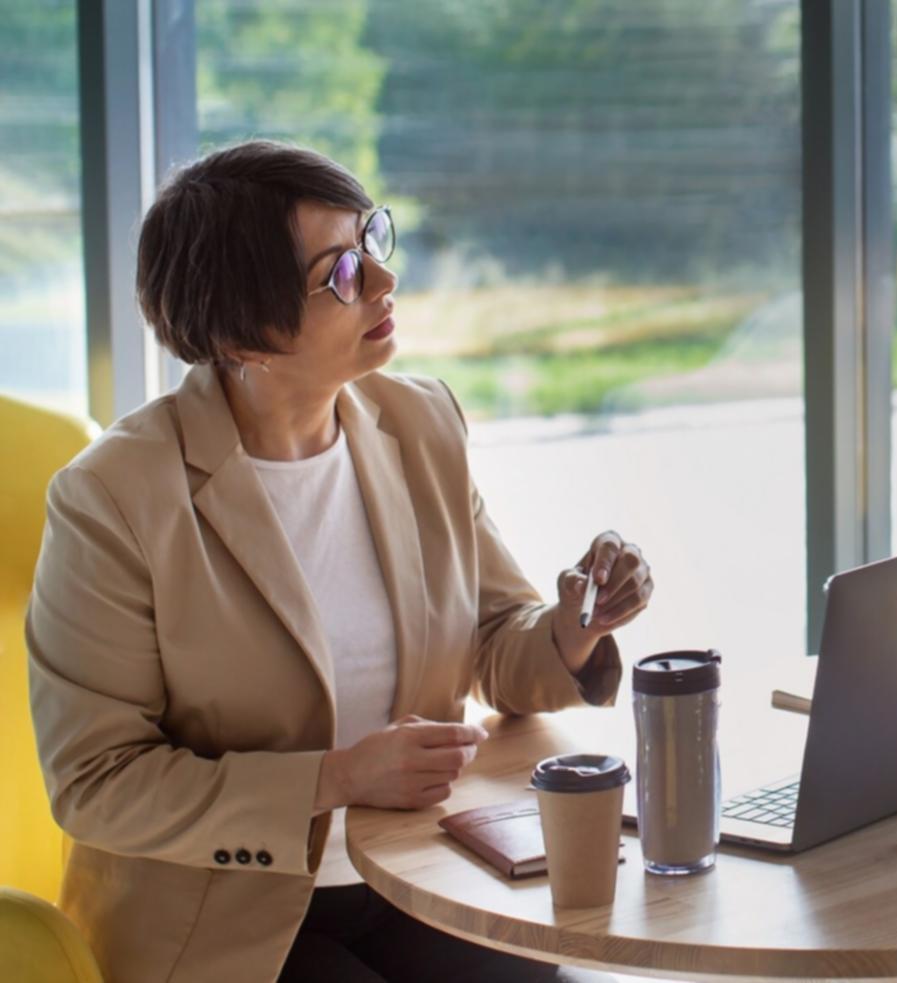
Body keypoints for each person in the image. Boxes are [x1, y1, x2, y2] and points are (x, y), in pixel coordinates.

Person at [26, 141, 654, 982]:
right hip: (228, 921)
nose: (385, 281)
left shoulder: (420, 421)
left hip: (418, 872)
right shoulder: (113, 497)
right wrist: (335, 777)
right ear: (242, 334)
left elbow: (493, 638)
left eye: (372, 240)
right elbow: (96, 782)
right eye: (343, 274)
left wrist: (575, 629)